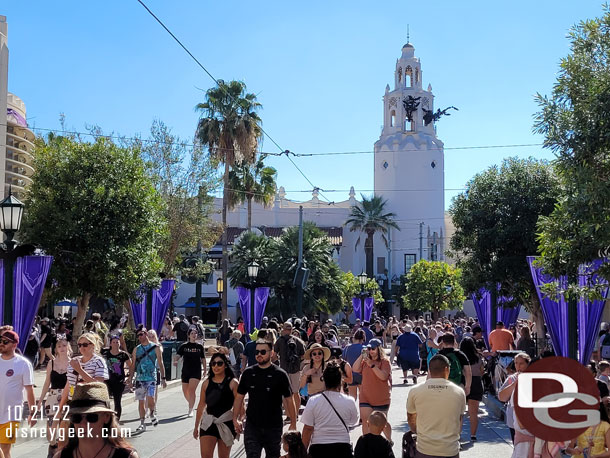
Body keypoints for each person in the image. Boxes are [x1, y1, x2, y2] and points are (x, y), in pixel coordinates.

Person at [233, 339, 296, 458]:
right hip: (252, 425)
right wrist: (235, 419)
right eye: (257, 352)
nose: (259, 355)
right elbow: (239, 397)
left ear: (271, 353)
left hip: (273, 426)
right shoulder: (248, 373)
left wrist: (293, 423)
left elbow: (289, 399)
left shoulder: (280, 374)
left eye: (263, 352)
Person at [54, 381, 138, 458]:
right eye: (77, 417)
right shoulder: (61, 456)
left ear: (106, 417)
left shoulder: (126, 456)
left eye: (91, 417)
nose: (83, 424)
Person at [407, 354, 466, 458]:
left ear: (429, 370)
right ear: (447, 369)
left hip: (425, 448)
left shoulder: (415, 391)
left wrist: (417, 432)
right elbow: (459, 420)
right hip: (450, 449)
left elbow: (411, 417)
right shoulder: (459, 392)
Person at [301, 361, 359, 458]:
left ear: (324, 379)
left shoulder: (313, 401)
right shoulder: (349, 401)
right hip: (342, 448)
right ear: (341, 380)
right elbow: (353, 421)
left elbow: (308, 428)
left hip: (319, 448)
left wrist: (302, 453)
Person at [193, 352, 239, 458]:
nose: (216, 366)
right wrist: (196, 426)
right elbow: (201, 405)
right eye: (213, 364)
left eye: (219, 363)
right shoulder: (206, 383)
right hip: (208, 422)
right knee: (206, 455)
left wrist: (238, 419)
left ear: (225, 365)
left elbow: (239, 405)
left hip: (226, 422)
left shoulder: (233, 382)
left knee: (223, 456)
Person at [0, 330, 36, 458]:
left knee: (4, 449)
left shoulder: (23, 364)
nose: (1, 344)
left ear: (14, 345)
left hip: (11, 415)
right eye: (0, 341)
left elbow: (29, 390)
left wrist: (33, 413)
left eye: (5, 342)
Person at [352, 338, 392, 442]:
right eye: (369, 349)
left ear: (379, 349)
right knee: (366, 421)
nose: (370, 351)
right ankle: (367, 443)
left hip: (381, 397)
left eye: (373, 349)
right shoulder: (365, 361)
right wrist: (362, 355)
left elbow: (383, 376)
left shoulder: (385, 362)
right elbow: (355, 369)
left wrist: (372, 365)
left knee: (382, 422)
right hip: (366, 396)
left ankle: (388, 440)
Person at [38, 335, 71, 457]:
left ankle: (61, 452)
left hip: (67, 398)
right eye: (59, 346)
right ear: (55, 349)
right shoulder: (51, 363)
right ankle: (53, 446)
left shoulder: (74, 363)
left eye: (64, 345)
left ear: (67, 346)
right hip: (52, 397)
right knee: (51, 431)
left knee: (65, 428)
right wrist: (40, 400)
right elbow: (47, 382)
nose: (62, 348)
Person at [128, 327, 166, 433]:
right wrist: (130, 378)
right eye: (138, 335)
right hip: (140, 379)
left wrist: (163, 378)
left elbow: (160, 362)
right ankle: (142, 423)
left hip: (151, 378)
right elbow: (133, 364)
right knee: (141, 401)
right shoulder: (137, 349)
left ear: (145, 334)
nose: (139, 337)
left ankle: (152, 413)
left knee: (151, 399)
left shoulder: (155, 347)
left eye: (141, 334)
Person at [498, 352, 531, 443]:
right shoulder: (511, 379)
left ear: (528, 364)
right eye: (516, 363)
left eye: (521, 363)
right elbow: (501, 397)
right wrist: (514, 385)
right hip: (514, 419)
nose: (518, 366)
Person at [275, 322, 306, 415]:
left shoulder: (280, 340)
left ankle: (289, 415)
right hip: (295, 369)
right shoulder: (298, 341)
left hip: (284, 369)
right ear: (292, 330)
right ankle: (295, 414)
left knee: (285, 393)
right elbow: (304, 355)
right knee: (296, 392)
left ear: (283, 330)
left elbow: (274, 354)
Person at [175, 327, 206, 417]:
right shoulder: (184, 346)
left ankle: (190, 409)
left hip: (196, 371)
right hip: (185, 371)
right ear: (188, 335)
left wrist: (204, 369)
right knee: (185, 391)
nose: (194, 335)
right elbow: (178, 355)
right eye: (192, 333)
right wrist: (175, 360)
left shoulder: (199, 347)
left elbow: (203, 359)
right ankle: (191, 402)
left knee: (192, 390)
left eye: (195, 333)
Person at [459, 336, 484, 442]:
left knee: (459, 412)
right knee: (473, 413)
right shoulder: (478, 357)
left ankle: (458, 435)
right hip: (476, 382)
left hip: (462, 382)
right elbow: (482, 371)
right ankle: (473, 435)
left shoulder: (460, 357)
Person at [101, 335, 131, 420]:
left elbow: (131, 365)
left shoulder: (123, 354)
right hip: (107, 380)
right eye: (113, 342)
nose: (115, 344)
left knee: (117, 401)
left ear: (119, 343)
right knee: (105, 401)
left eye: (117, 342)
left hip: (119, 381)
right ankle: (106, 419)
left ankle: (117, 420)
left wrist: (129, 376)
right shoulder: (105, 353)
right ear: (110, 343)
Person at [343, 330, 365, 400]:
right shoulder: (364, 349)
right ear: (362, 339)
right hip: (361, 375)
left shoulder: (346, 348)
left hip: (350, 375)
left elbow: (343, 359)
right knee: (363, 398)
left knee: (352, 398)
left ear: (354, 338)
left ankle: (352, 410)